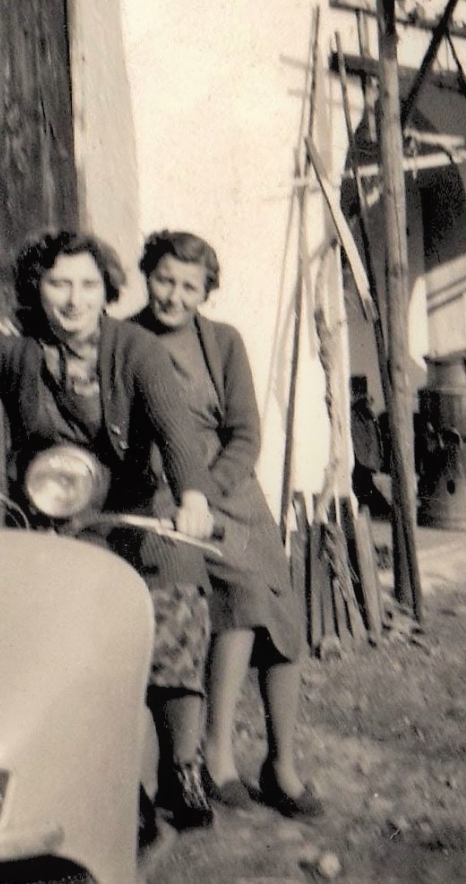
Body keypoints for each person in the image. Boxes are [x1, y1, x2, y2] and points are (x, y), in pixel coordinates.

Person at [0, 229, 218, 838]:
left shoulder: (136, 349)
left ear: (107, 290)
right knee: (51, 649)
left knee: (173, 616)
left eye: (87, 285)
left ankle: (183, 766)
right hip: (51, 519)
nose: (73, 299)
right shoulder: (13, 344)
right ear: (36, 289)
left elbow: (176, 431)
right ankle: (85, 777)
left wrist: (194, 500)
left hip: (136, 518)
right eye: (58, 284)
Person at [133, 230, 322, 818]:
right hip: (164, 493)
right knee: (239, 599)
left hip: (228, 489)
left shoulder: (223, 342)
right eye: (165, 279)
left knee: (281, 605)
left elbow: (246, 433)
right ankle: (217, 757)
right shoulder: (125, 339)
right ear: (148, 275)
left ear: (206, 291)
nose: (174, 294)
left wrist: (209, 492)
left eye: (189, 286)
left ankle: (282, 761)